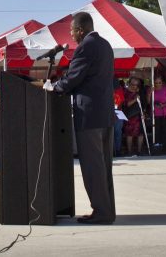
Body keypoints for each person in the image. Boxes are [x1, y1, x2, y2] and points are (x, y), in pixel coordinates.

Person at [45, 12, 116, 224]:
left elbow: (74, 77)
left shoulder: (86, 46)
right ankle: (107, 210)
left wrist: (54, 87)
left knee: (93, 165)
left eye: (72, 31)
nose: (71, 36)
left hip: (89, 116)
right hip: (104, 114)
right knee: (104, 166)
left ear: (81, 30)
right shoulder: (105, 45)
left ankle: (101, 213)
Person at [123, 78, 145, 157]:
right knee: (129, 134)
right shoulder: (125, 92)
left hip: (139, 115)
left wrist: (144, 113)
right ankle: (129, 151)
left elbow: (144, 104)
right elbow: (127, 104)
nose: (134, 86)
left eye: (136, 85)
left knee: (140, 134)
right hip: (130, 116)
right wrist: (135, 99)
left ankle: (139, 151)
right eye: (133, 84)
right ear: (129, 83)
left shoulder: (139, 92)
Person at [152, 74, 166, 154]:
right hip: (156, 114)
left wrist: (163, 105)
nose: (158, 84)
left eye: (159, 82)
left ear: (162, 82)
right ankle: (158, 149)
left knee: (165, 132)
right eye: (156, 83)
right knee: (157, 132)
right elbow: (148, 102)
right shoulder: (152, 90)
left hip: (165, 113)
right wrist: (149, 93)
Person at [112, 79, 126, 157]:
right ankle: (114, 150)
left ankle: (117, 150)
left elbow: (121, 102)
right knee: (115, 133)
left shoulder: (119, 90)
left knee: (117, 133)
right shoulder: (106, 89)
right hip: (113, 113)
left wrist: (115, 112)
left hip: (117, 113)